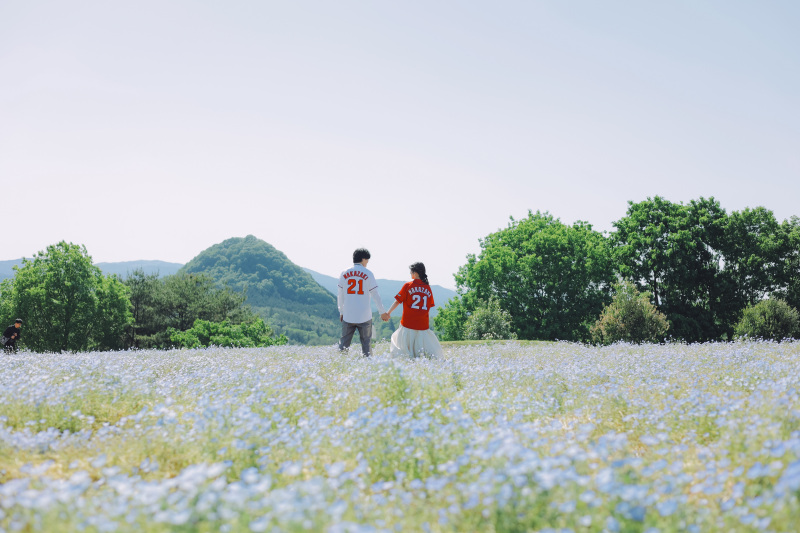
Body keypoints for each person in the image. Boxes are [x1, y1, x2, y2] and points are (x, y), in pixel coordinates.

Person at [382, 262, 443, 358]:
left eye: (411, 271)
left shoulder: (408, 285)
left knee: (402, 349)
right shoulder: (427, 287)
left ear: (416, 273)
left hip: (408, 323)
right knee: (423, 353)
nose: (410, 273)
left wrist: (388, 313)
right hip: (422, 325)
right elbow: (429, 306)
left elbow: (398, 301)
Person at [338, 248, 388, 356]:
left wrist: (341, 311)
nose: (367, 263)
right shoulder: (368, 273)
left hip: (348, 314)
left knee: (344, 345)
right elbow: (375, 294)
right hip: (364, 315)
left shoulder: (344, 273)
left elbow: (340, 295)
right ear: (363, 259)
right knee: (366, 344)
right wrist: (382, 312)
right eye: (367, 260)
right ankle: (368, 364)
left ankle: (340, 364)